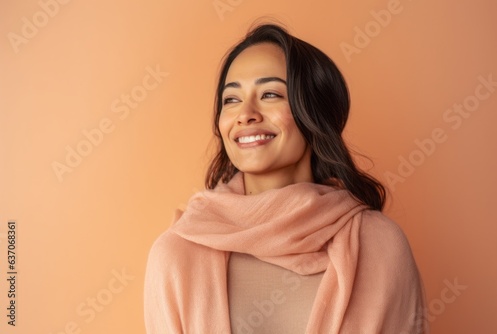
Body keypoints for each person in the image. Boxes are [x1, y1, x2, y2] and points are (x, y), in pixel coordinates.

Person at [144, 23, 427, 333]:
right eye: (231, 100)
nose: (245, 114)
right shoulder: (176, 254)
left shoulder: (381, 245)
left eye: (269, 94)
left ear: (314, 113)